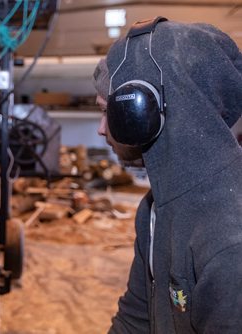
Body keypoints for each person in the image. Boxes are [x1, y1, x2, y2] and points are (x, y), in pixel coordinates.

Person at [93, 18, 242, 333]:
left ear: (143, 111)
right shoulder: (156, 207)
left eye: (107, 111)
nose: (101, 128)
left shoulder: (229, 243)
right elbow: (135, 320)